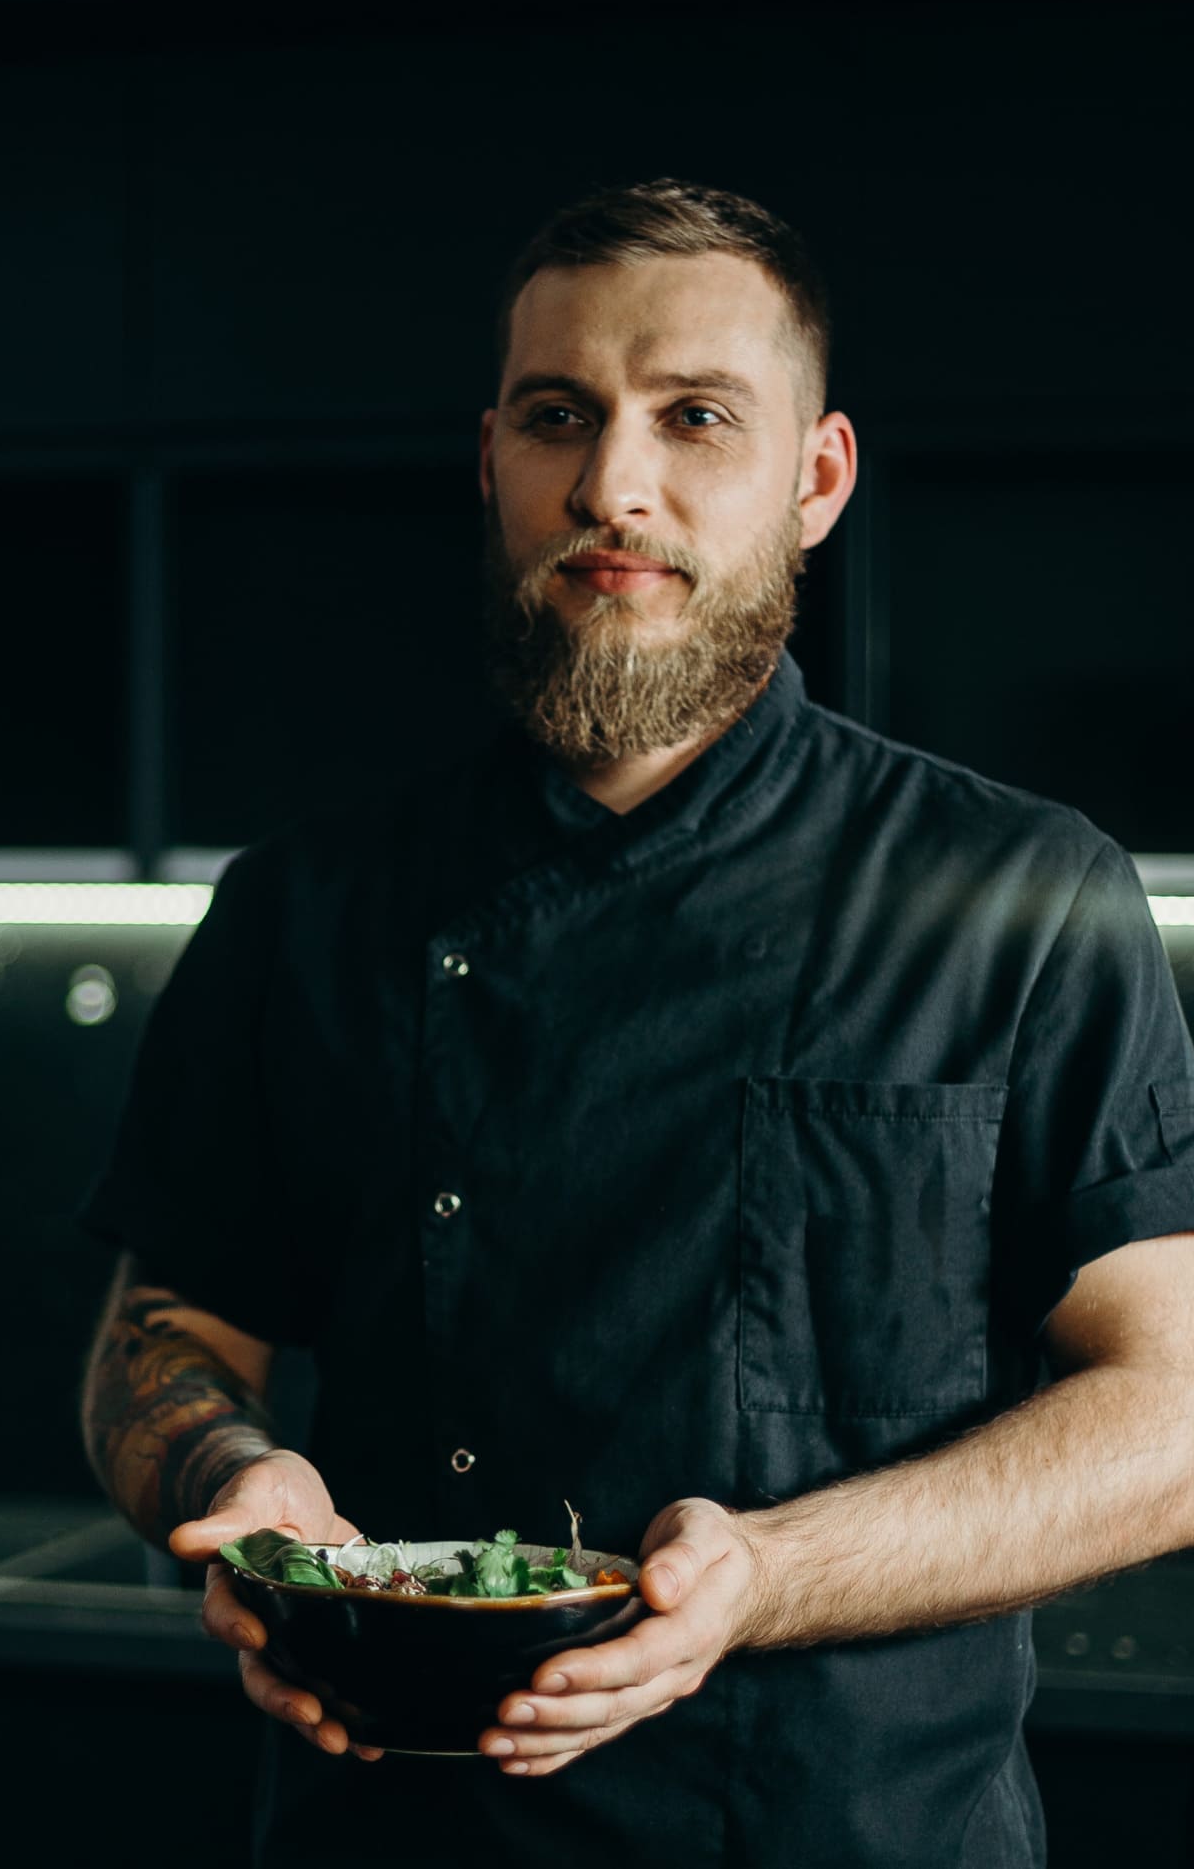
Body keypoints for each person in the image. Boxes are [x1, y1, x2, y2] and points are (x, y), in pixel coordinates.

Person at [76, 178, 1194, 1868]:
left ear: (816, 478)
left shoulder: (1023, 897)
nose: (612, 484)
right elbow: (161, 1333)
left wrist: (766, 1575)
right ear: (490, 460)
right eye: (558, 415)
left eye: (696, 417)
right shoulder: (308, 908)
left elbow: (1170, 1413)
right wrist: (237, 1489)